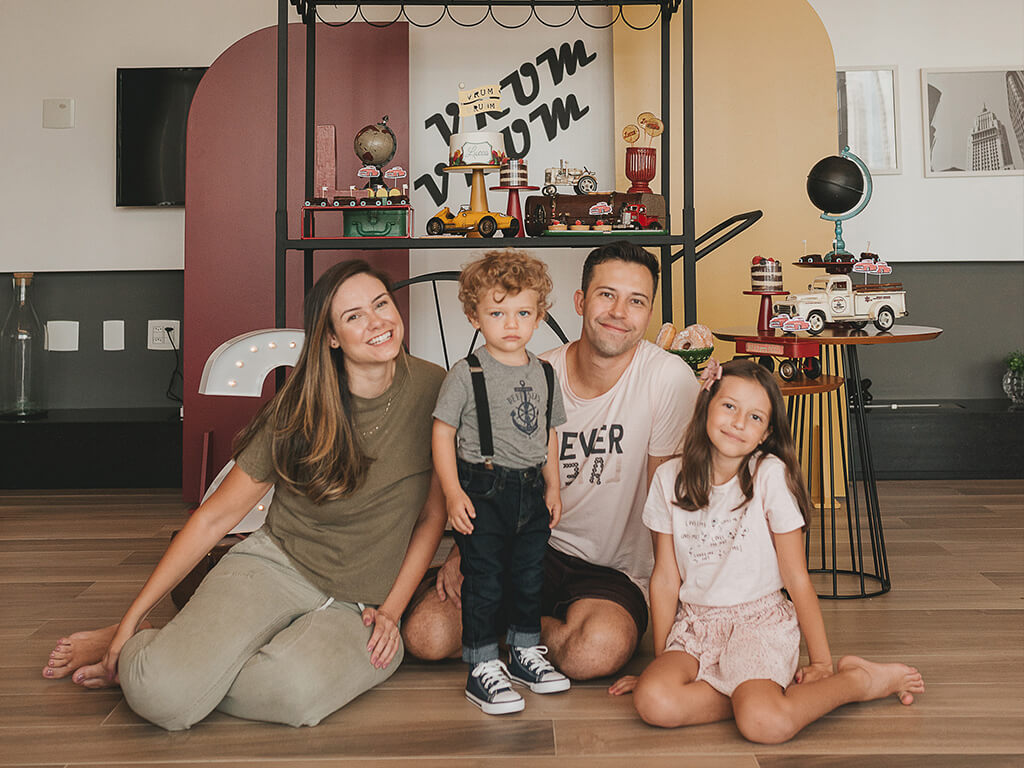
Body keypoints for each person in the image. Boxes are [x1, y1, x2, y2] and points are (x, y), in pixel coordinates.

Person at [41, 260, 447, 730]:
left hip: (360, 604)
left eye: (380, 304)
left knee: (295, 696)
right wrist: (133, 615)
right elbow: (214, 519)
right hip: (274, 567)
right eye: (353, 315)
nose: (376, 322)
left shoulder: (435, 388)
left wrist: (394, 611)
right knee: (161, 695)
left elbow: (431, 517)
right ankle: (145, 643)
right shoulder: (299, 407)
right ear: (331, 337)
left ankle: (188, 653)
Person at [402, 241, 700, 682]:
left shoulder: (667, 378)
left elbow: (666, 504)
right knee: (426, 636)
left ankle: (509, 632)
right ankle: (518, 632)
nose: (619, 311)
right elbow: (484, 471)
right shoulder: (532, 372)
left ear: (649, 312)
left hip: (610, 573)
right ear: (581, 301)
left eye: (636, 301)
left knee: (594, 653)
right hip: (524, 545)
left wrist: (673, 621)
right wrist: (466, 553)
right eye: (606, 294)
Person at [610, 358, 924, 743]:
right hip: (695, 626)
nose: (739, 422)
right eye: (729, 406)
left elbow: (795, 577)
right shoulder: (667, 479)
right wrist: (661, 661)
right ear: (706, 404)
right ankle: (750, 697)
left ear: (765, 433)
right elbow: (664, 578)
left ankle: (857, 681)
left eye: (755, 417)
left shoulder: (769, 474)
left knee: (765, 725)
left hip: (758, 625)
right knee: (653, 701)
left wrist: (822, 662)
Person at [433, 250, 569, 715]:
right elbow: (442, 433)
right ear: (474, 315)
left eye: (523, 313)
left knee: (529, 577)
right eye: (497, 313)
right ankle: (482, 665)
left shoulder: (545, 373)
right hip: (483, 489)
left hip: (531, 491)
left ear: (539, 315)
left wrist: (554, 486)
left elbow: (549, 434)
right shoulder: (466, 373)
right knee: (485, 581)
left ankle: (525, 652)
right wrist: (453, 493)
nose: (511, 324)